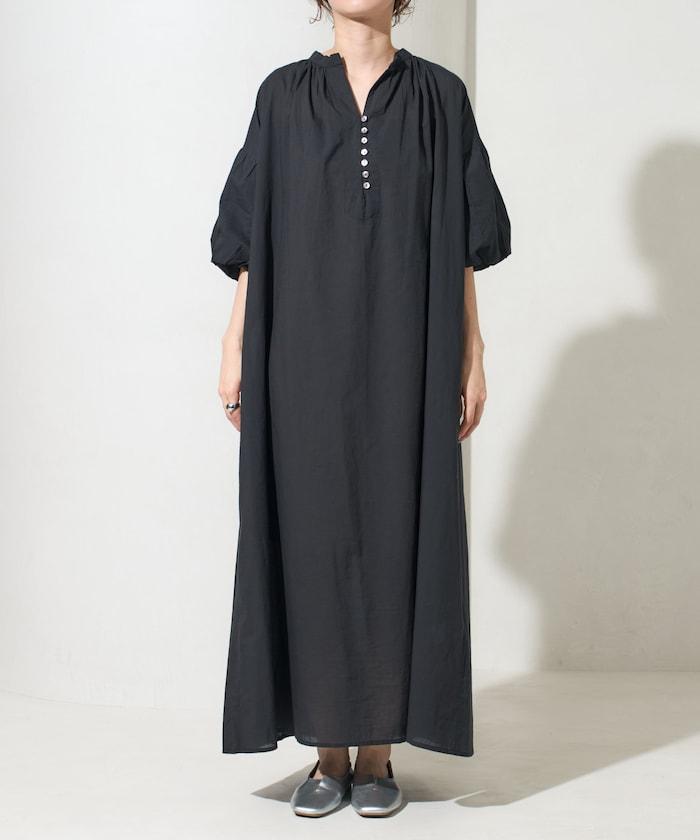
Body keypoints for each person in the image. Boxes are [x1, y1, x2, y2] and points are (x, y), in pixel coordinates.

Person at [210, 0, 511, 818]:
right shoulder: (283, 96)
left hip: (407, 348)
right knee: (309, 536)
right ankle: (326, 749)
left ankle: (377, 750)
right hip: (299, 354)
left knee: (394, 530)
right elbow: (251, 237)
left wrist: (473, 350)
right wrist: (235, 344)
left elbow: (463, 240)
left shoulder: (439, 98)